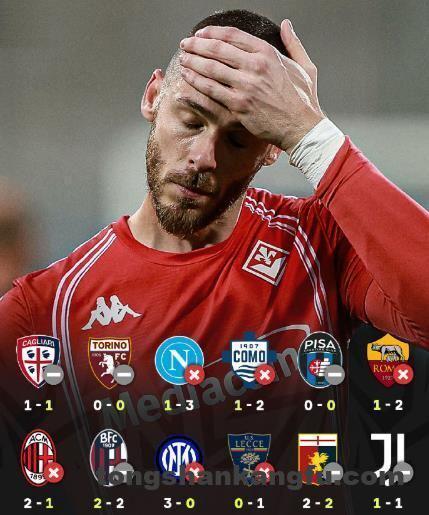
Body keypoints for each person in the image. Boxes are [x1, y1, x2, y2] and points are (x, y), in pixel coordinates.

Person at [1, 10, 428, 514]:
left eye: (238, 139)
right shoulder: (46, 307)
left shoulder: (317, 244)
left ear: (271, 150)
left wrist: (313, 136)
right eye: (191, 121)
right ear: (152, 96)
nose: (203, 156)